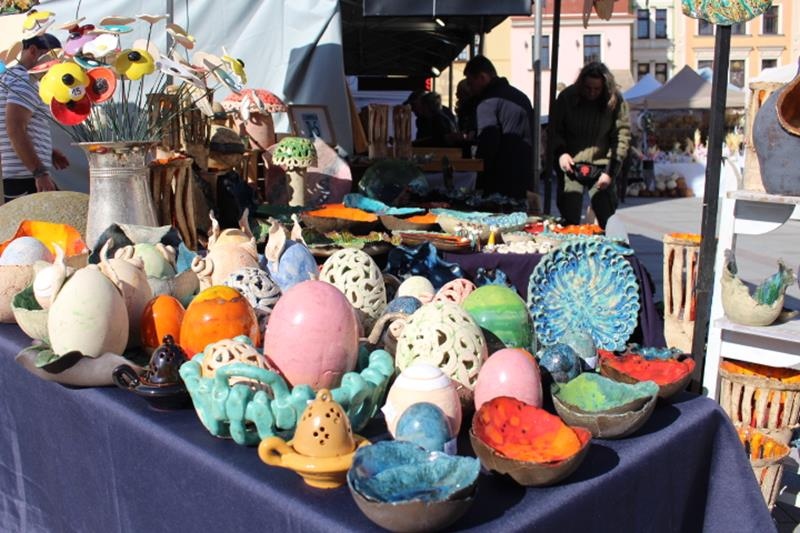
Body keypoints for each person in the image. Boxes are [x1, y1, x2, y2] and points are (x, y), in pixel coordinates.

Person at [549, 62, 630, 228]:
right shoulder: (567, 97)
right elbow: (554, 130)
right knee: (569, 216)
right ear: (580, 84)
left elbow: (621, 136)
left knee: (607, 217)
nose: (592, 93)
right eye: (587, 88)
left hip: (602, 167)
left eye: (597, 89)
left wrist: (610, 172)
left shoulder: (615, 100)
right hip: (571, 165)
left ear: (605, 87)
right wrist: (561, 153)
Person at [0, 33, 69, 203]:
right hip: (24, 178)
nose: (55, 66)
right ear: (33, 51)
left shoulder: (10, 77)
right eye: (53, 59)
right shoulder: (26, 79)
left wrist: (46, 150)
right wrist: (39, 172)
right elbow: (15, 128)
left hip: (17, 176)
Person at [464, 55, 534, 200]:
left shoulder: (487, 103)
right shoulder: (521, 97)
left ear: (482, 77)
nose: (470, 89)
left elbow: (488, 142)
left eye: (471, 83)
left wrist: (479, 179)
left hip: (499, 180)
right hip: (524, 173)